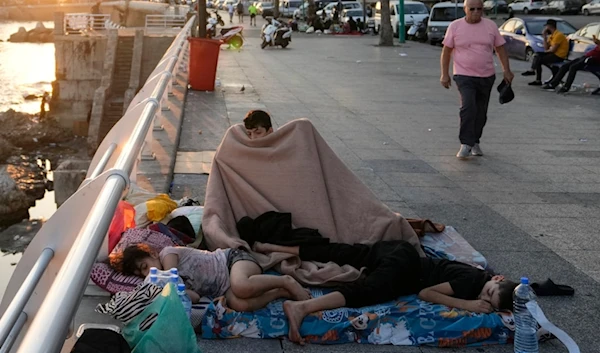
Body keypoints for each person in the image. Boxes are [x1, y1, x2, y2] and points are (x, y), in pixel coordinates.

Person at [252, 240, 517, 344]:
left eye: (488, 301)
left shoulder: (481, 281)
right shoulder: (471, 280)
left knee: (344, 253)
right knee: (370, 291)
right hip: (405, 262)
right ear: (496, 278)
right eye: (489, 291)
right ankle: (301, 307)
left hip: (398, 260)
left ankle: (272, 246)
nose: (483, 297)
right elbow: (427, 294)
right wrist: (468, 305)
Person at [109, 243, 310, 312]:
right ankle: (279, 292)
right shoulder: (173, 283)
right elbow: (194, 298)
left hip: (232, 260)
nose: (147, 274)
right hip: (224, 288)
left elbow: (170, 275)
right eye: (142, 274)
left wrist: (158, 287)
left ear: (152, 254)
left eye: (145, 267)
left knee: (241, 286)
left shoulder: (168, 255)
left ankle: (286, 280)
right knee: (239, 304)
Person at [440, 0, 513, 159]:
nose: (476, 12)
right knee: (468, 107)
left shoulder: (490, 26)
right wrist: (444, 74)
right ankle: (465, 143)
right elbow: (446, 51)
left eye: (479, 9)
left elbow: (500, 48)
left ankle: (475, 140)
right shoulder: (455, 26)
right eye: (472, 9)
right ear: (465, 9)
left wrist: (506, 70)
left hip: (486, 75)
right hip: (463, 75)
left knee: (481, 112)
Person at [521, 19, 569, 86]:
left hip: (559, 56)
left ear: (550, 26)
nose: (545, 28)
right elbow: (546, 47)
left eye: (546, 27)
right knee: (537, 55)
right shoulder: (552, 36)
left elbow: (553, 50)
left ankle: (535, 75)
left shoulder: (558, 35)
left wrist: (546, 51)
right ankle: (535, 75)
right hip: (553, 55)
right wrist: (544, 37)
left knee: (538, 58)